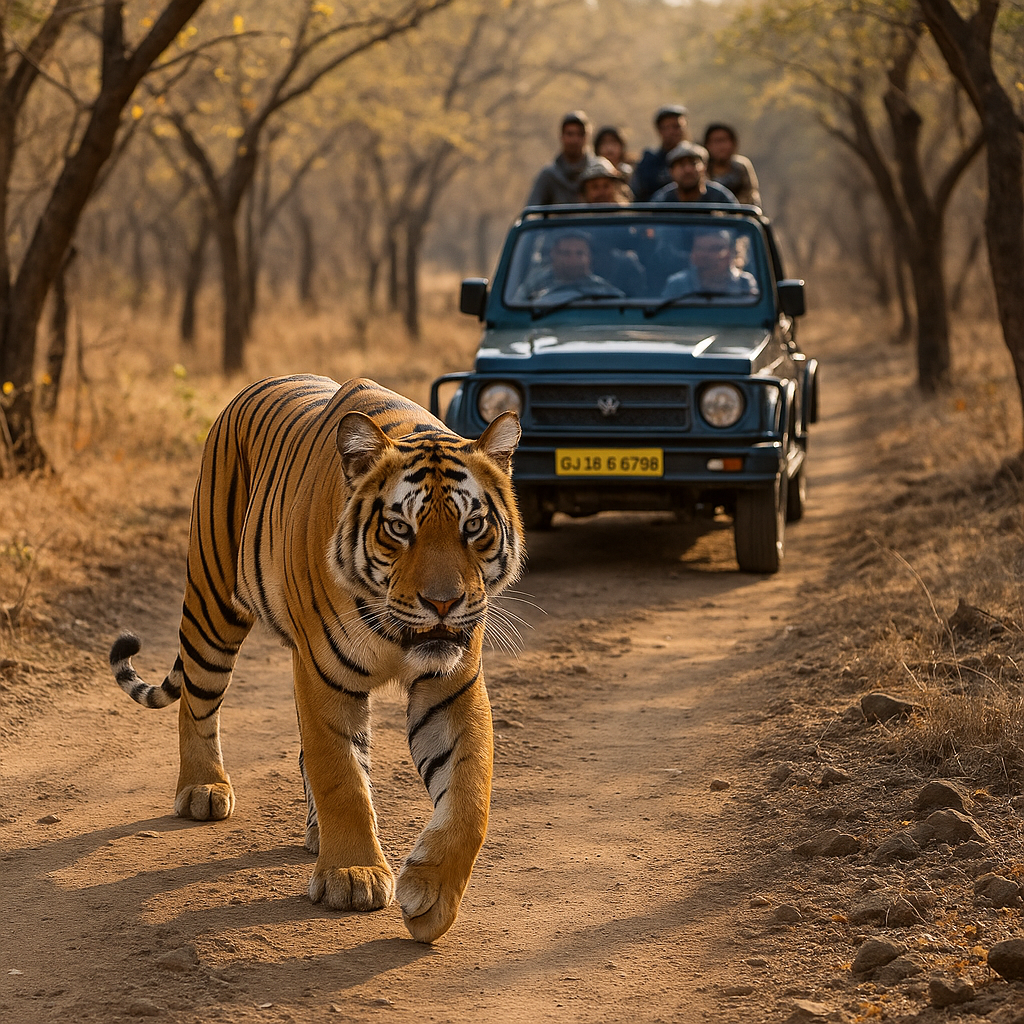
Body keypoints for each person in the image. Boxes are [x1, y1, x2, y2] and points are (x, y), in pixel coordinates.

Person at [513, 229, 623, 302]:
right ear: (553, 255)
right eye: (565, 253)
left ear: (589, 258)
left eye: (579, 253)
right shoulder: (535, 285)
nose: (573, 260)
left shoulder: (604, 291)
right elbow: (516, 313)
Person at [526, 111, 601, 206]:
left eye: (580, 134)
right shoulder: (549, 175)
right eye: (570, 134)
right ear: (561, 136)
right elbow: (532, 210)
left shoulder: (599, 172)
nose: (574, 140)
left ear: (587, 137)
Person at [660, 228, 758, 299]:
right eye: (700, 249)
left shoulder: (744, 283)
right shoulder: (678, 285)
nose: (706, 256)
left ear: (731, 253)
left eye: (715, 249)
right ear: (693, 254)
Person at [630, 104, 688, 202]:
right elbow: (638, 193)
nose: (672, 132)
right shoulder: (649, 161)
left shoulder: (698, 159)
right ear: (659, 130)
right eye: (667, 127)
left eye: (677, 126)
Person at [651, 142, 738, 204]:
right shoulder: (661, 200)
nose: (688, 170)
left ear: (704, 167)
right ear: (671, 171)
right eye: (681, 165)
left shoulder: (720, 198)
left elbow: (737, 224)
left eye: (693, 163)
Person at [703, 123, 761, 207]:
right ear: (707, 145)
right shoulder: (702, 168)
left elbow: (751, 195)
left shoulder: (740, 167)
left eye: (724, 141)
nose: (721, 146)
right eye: (716, 141)